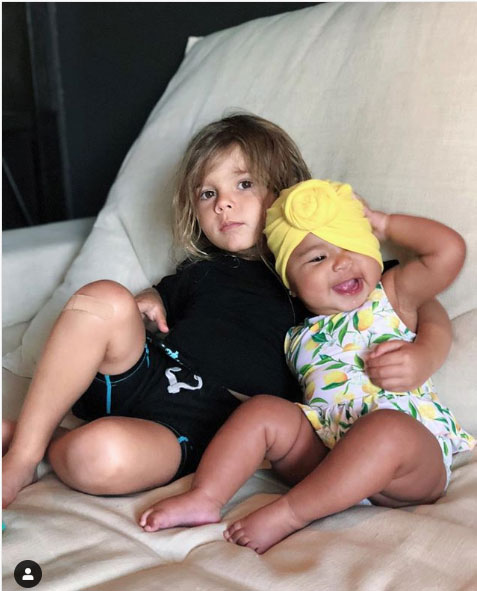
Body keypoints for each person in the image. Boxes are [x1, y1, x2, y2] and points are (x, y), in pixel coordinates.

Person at [2, 118, 451, 509]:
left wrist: (426, 353)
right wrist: (147, 298)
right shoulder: (202, 270)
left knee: (96, 459)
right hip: (149, 371)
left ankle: (50, 442)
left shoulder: (328, 270)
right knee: (103, 298)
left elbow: (419, 301)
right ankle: (23, 456)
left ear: (285, 190)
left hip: (203, 423)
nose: (223, 203)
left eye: (243, 184)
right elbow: (149, 303)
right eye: (207, 193)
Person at [138, 179, 475, 554]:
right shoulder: (295, 331)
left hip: (410, 459)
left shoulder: (392, 295)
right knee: (262, 411)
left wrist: (384, 223)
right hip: (326, 453)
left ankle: (290, 514)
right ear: (292, 285)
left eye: (351, 244)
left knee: (385, 430)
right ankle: (205, 496)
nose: (341, 262)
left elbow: (448, 251)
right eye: (317, 258)